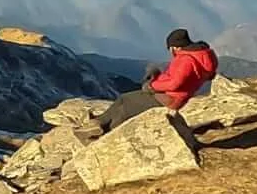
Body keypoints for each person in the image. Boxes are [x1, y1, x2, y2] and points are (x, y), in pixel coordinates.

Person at [88, 29, 219, 134]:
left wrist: (152, 86)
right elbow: (181, 79)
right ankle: (99, 122)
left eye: (170, 48)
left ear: (176, 47)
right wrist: (159, 76)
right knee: (125, 98)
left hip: (169, 98)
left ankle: (105, 132)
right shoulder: (200, 56)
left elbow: (175, 83)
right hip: (174, 96)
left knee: (127, 106)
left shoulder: (186, 60)